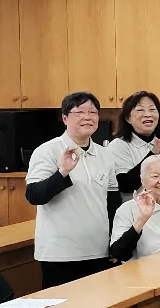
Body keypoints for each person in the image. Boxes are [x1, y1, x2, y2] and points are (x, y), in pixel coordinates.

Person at [26, 92, 117, 288]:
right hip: (60, 253)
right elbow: (34, 195)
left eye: (93, 112)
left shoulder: (105, 154)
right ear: (65, 118)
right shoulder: (47, 151)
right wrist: (63, 172)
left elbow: (112, 201)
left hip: (98, 249)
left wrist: (114, 242)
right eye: (80, 112)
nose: (88, 117)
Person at [107, 91, 160, 205]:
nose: (148, 114)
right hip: (135, 215)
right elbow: (125, 185)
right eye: (140, 110)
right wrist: (153, 153)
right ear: (128, 118)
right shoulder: (118, 146)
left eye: (152, 109)